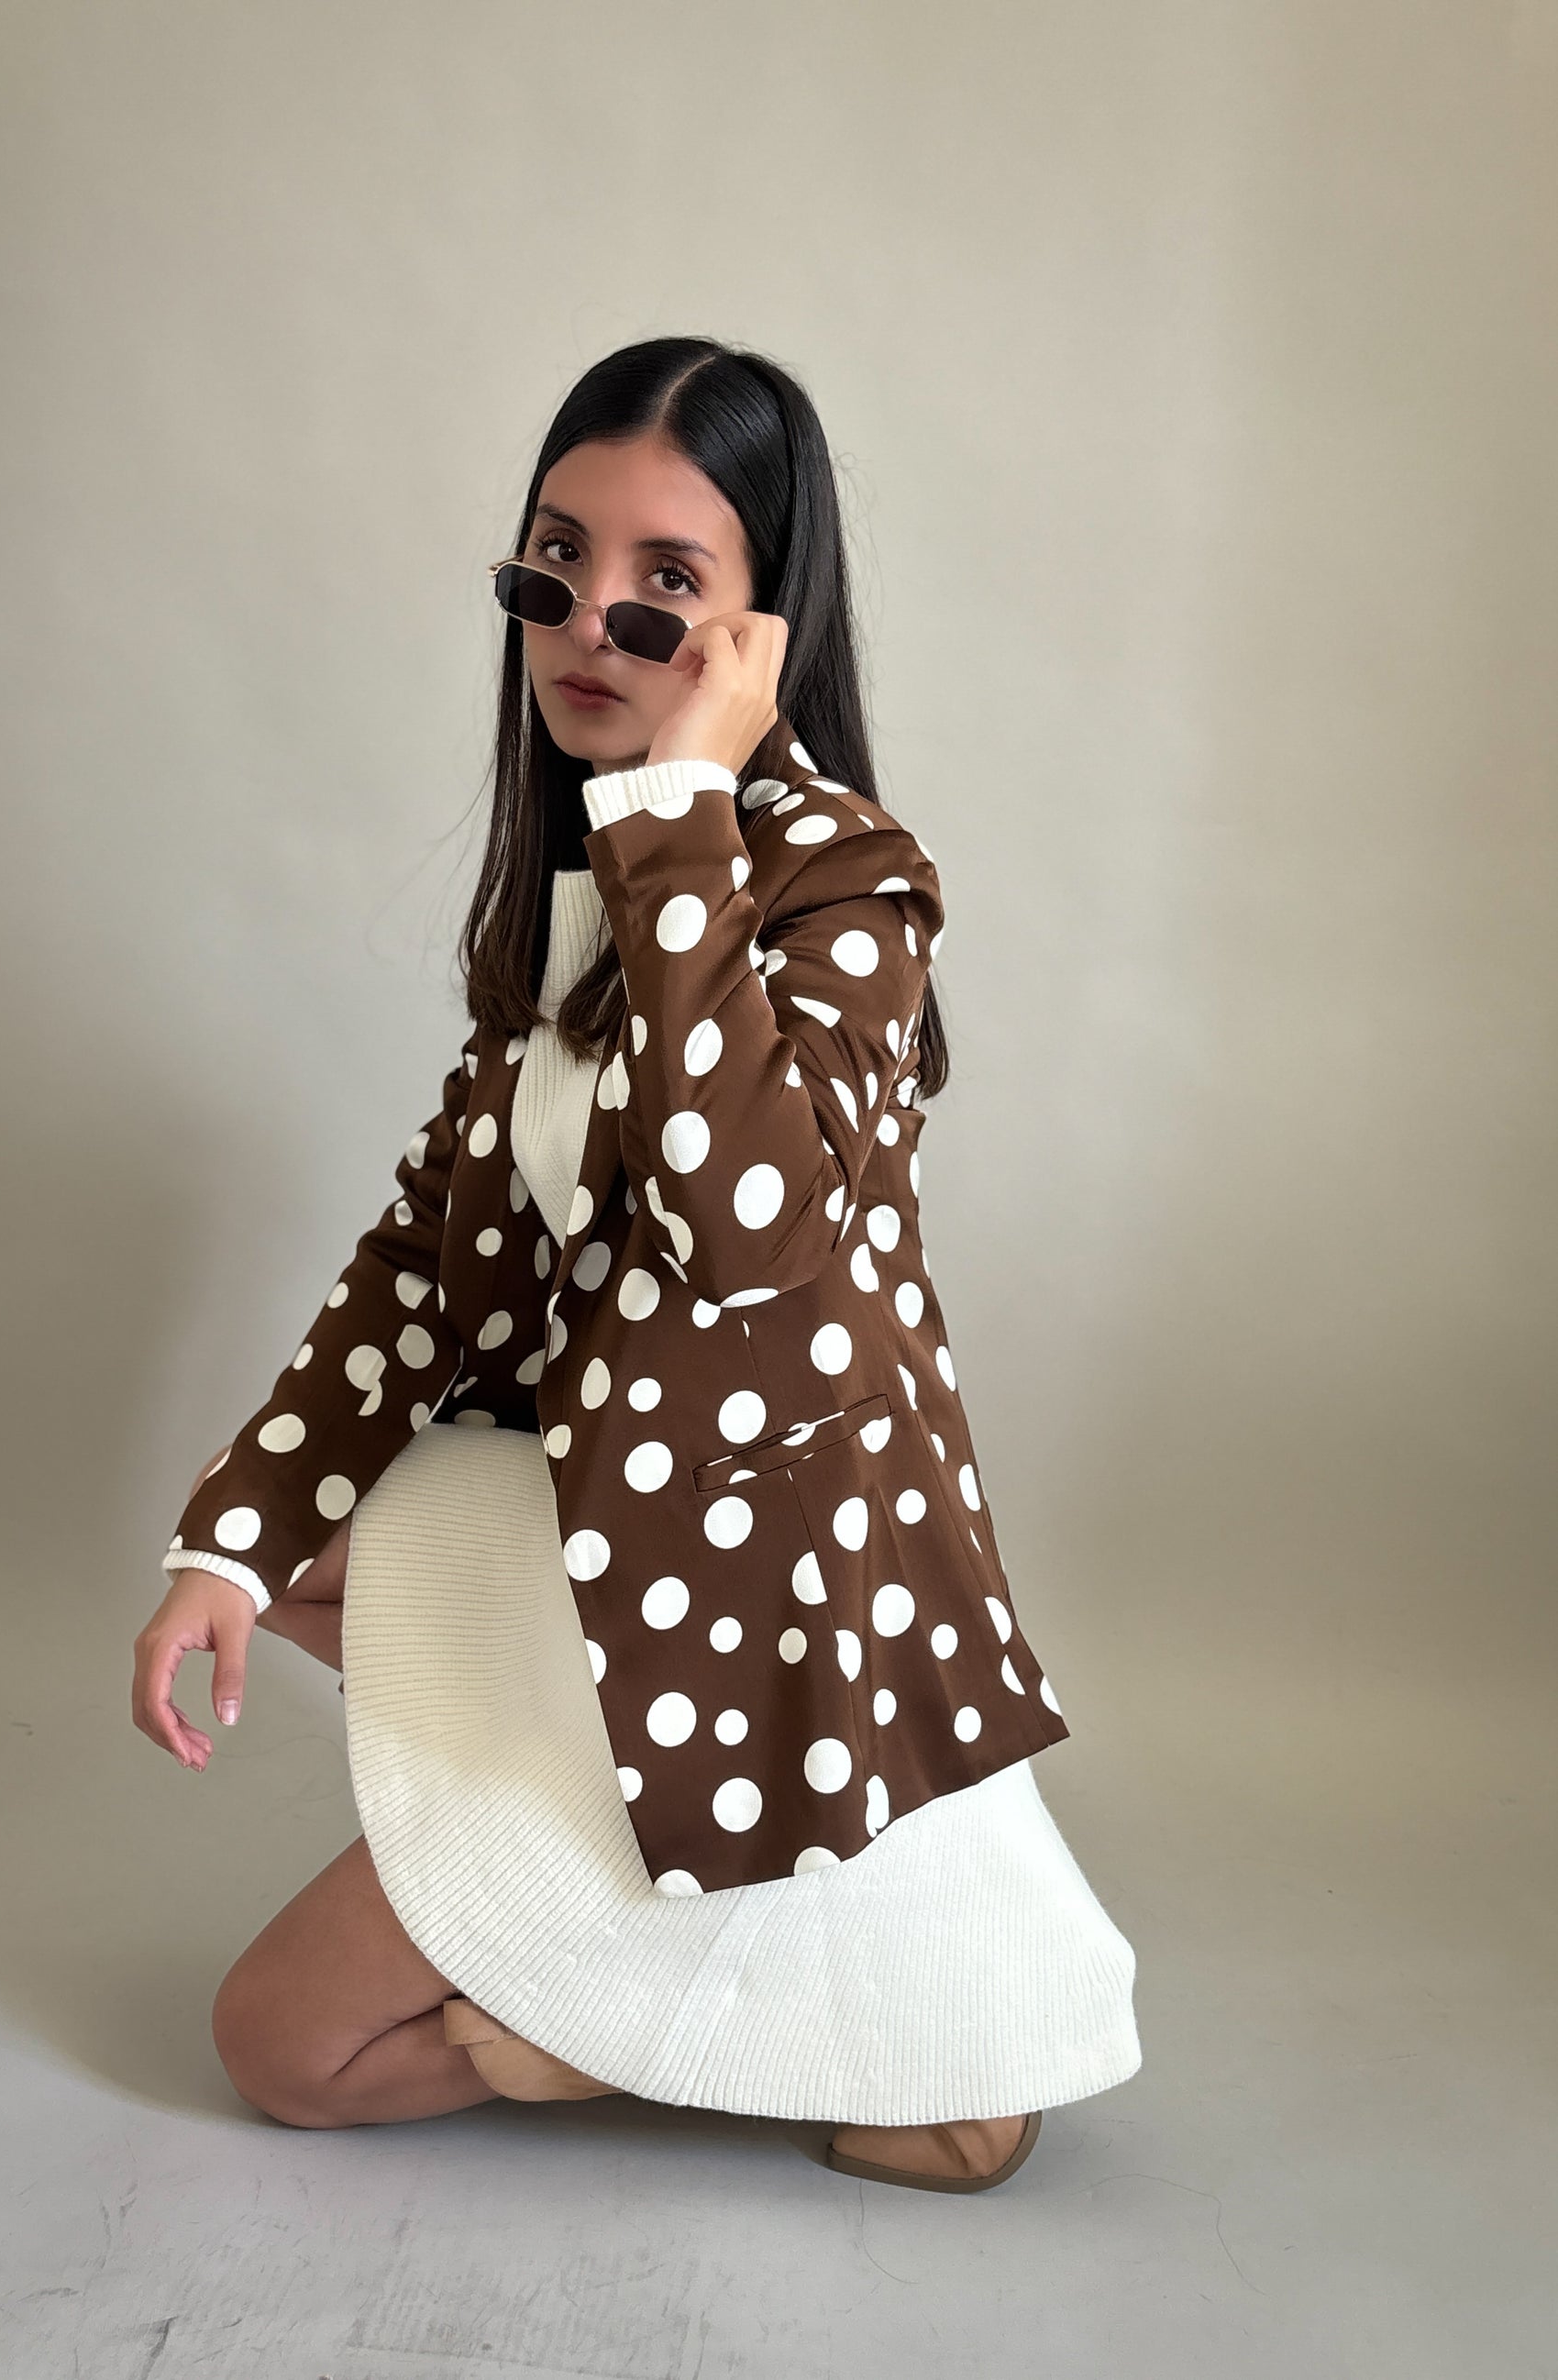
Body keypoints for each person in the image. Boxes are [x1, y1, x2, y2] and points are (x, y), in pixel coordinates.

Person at [131, 336, 1141, 2194]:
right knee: (288, 1569)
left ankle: (698, 1984)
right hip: (612, 1517)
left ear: (762, 628)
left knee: (286, 2047)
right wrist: (228, 1545)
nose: (590, 622)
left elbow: (747, 1230)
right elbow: (423, 1269)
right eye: (556, 561)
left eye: (665, 583)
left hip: (768, 1570)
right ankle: (646, 1898)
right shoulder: (581, 881)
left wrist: (682, 812)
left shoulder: (847, 877)